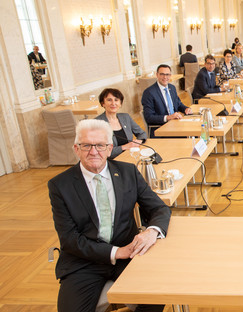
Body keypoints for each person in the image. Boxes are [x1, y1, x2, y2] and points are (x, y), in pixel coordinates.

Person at [49, 119, 171, 312]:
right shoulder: (60, 185)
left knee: (155, 297)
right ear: (76, 148)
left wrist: (151, 231)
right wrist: (115, 252)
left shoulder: (128, 172)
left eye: (100, 145)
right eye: (86, 145)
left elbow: (159, 208)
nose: (93, 151)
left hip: (129, 254)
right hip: (84, 261)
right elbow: (69, 239)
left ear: (110, 148)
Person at [142, 64, 193, 137]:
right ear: (157, 75)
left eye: (167, 74)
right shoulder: (149, 93)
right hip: (161, 128)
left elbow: (178, 104)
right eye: (162, 74)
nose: (165, 77)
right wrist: (168, 117)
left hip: (176, 124)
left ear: (170, 75)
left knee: (195, 132)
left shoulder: (172, 88)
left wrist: (186, 109)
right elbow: (149, 117)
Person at [94, 88, 146, 159]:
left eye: (116, 100)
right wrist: (124, 147)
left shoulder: (125, 117)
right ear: (103, 103)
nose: (113, 103)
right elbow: (102, 151)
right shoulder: (97, 123)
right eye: (109, 100)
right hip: (111, 161)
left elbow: (142, 134)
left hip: (129, 156)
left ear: (120, 103)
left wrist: (138, 141)